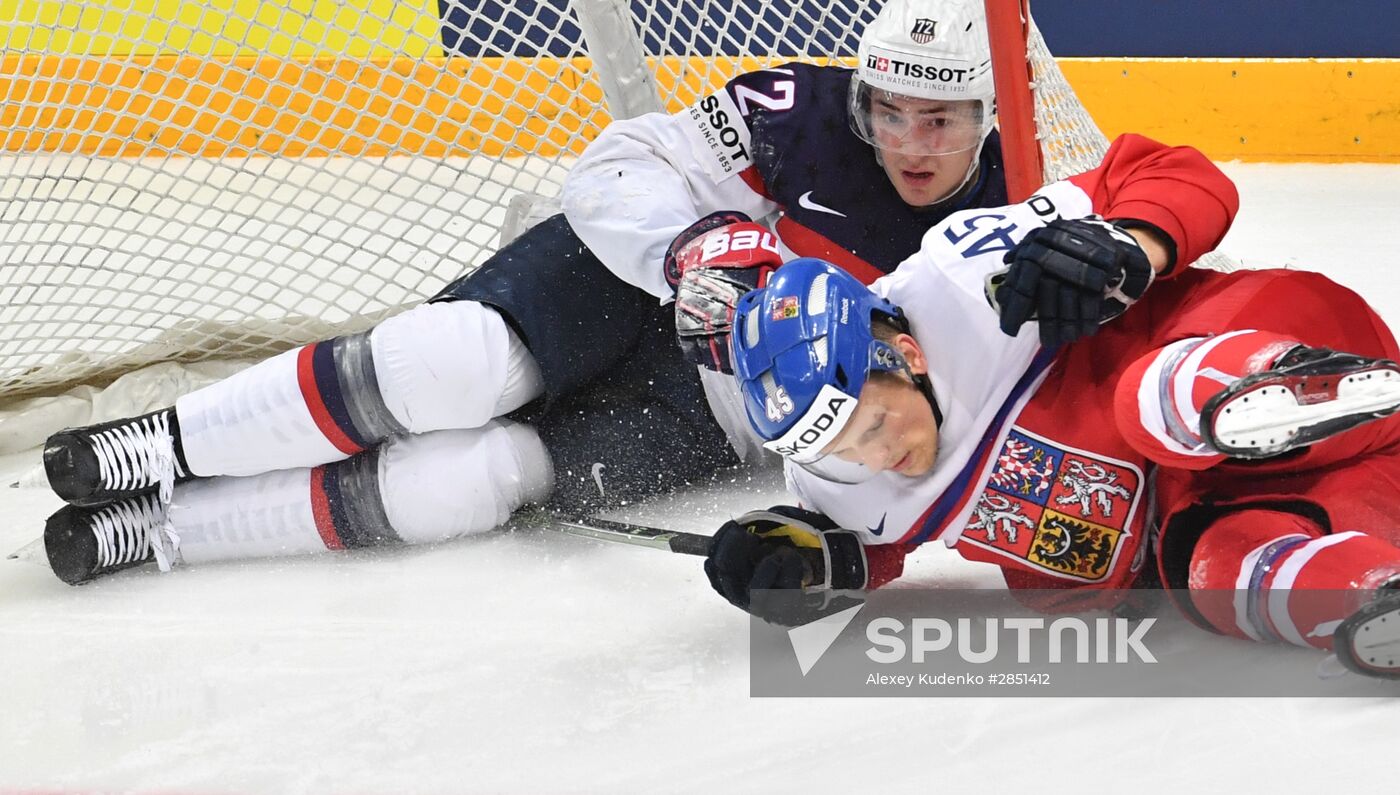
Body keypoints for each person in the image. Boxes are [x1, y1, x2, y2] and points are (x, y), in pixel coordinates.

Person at [36, 0, 1231, 587]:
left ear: (984, 114)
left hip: (708, 410)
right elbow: (617, 167)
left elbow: (1179, 176)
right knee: (449, 368)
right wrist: (697, 249)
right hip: (628, 292)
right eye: (888, 111)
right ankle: (159, 445)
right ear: (856, 95)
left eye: (942, 119)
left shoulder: (1010, 201)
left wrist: (1129, 245)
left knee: (484, 478)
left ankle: (161, 530)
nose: (911, 143)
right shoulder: (793, 114)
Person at [707, 179, 1400, 680]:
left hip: (1278, 335)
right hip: (1286, 496)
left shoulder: (969, 273)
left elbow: (1178, 170)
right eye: (843, 448)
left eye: (876, 422)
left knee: (1146, 405)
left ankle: (1290, 386)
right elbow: (873, 542)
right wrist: (801, 561)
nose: (878, 456)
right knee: (1209, 572)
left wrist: (1130, 241)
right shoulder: (835, 480)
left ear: (908, 357)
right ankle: (1370, 593)